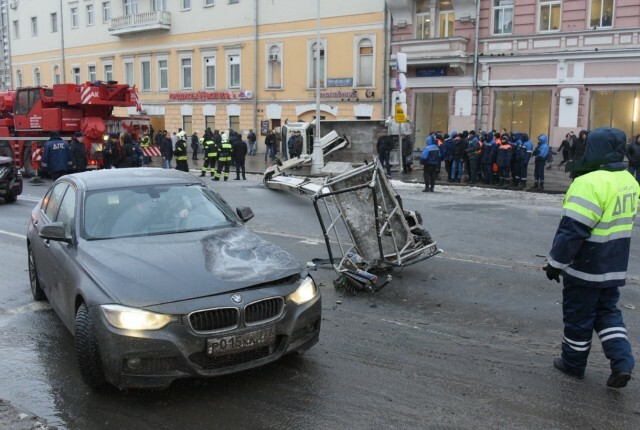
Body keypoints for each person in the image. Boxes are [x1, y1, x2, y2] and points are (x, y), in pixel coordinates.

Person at [544, 127, 639, 389]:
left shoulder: (588, 183)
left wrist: (554, 263)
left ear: (593, 149)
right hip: (614, 266)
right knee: (608, 314)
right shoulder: (629, 180)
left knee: (578, 317)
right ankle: (623, 362)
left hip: (586, 268)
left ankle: (573, 364)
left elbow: (573, 230)